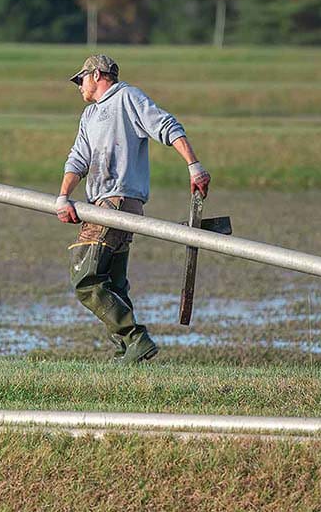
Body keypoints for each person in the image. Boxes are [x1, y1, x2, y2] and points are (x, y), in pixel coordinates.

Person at [55, 54, 211, 364]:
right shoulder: (88, 115)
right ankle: (126, 351)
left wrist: (194, 166)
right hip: (98, 202)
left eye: (81, 80)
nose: (79, 87)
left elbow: (166, 126)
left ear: (97, 75)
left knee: (84, 278)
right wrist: (63, 196)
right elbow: (78, 159)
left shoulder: (127, 97)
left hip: (118, 200)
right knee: (113, 283)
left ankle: (135, 338)